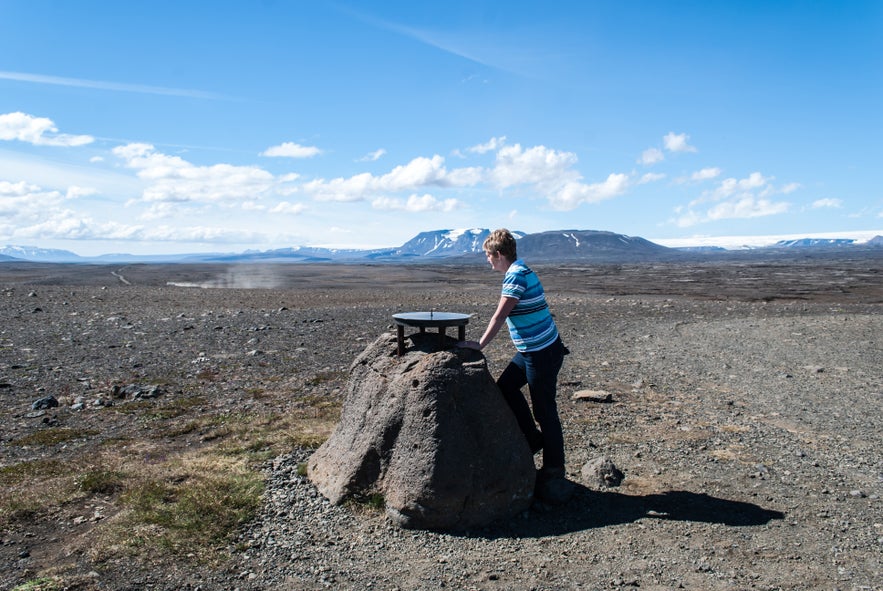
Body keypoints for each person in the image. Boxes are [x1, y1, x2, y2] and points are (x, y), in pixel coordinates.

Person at [458, 228, 573, 504]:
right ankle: (533, 439)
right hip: (533, 350)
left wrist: (479, 345)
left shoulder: (516, 276)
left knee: (545, 410)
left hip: (541, 353)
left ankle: (554, 469)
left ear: (499, 254)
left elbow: (499, 316)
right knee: (506, 387)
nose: (487, 261)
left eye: (488, 255)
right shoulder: (522, 270)